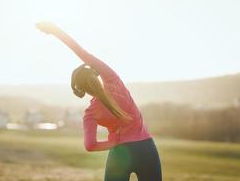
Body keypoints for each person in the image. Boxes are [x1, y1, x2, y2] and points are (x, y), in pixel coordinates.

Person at [36, 22, 162, 181]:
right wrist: (55, 31)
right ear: (95, 75)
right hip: (146, 149)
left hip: (119, 154)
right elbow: (82, 53)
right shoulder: (114, 81)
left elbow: (90, 145)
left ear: (81, 89)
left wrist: (113, 143)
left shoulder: (90, 113)